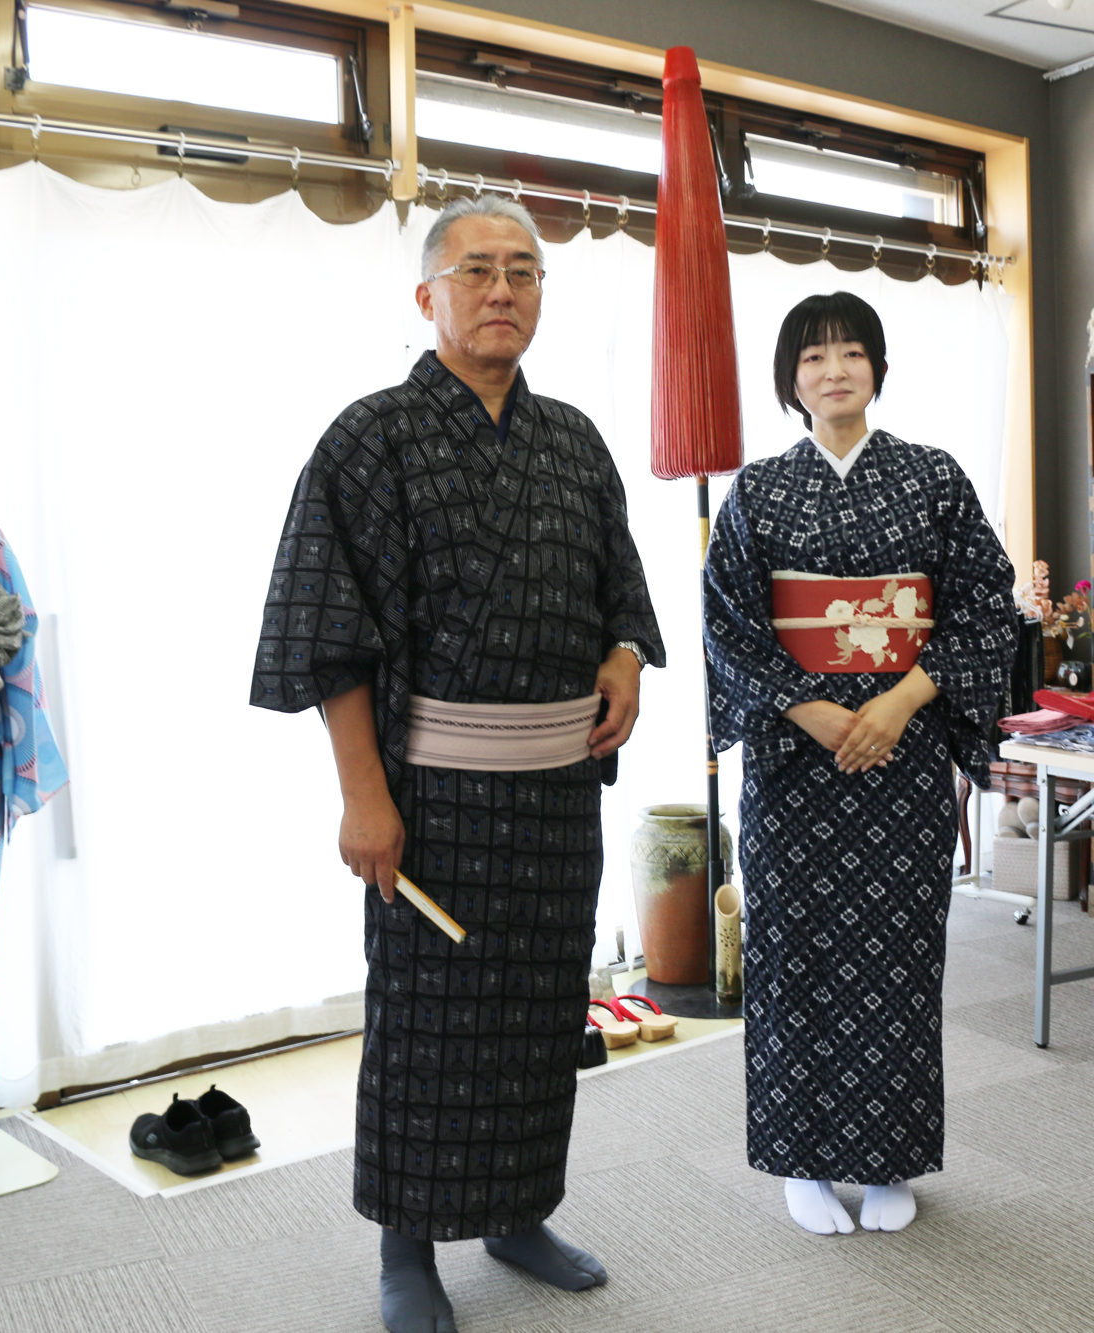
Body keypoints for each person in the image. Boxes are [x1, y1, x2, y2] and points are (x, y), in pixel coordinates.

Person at [251, 194, 663, 1333]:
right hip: (431, 795)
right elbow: (328, 636)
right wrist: (362, 798)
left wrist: (625, 658)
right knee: (426, 1026)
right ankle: (407, 1244)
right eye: (477, 270)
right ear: (426, 293)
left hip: (556, 794)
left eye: (523, 272)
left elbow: (620, 593)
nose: (502, 291)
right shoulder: (369, 438)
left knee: (539, 1013)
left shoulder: (573, 440)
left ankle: (517, 1212)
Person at [703, 291, 1016, 1237]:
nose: (833, 370)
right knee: (794, 953)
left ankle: (889, 1158)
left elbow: (984, 604)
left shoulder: (933, 477)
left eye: (850, 352)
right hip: (794, 763)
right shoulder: (758, 490)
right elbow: (728, 623)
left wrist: (898, 701)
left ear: (877, 366)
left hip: (903, 753)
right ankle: (802, 1160)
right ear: (790, 379)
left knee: (900, 953)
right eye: (813, 357)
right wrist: (814, 710)